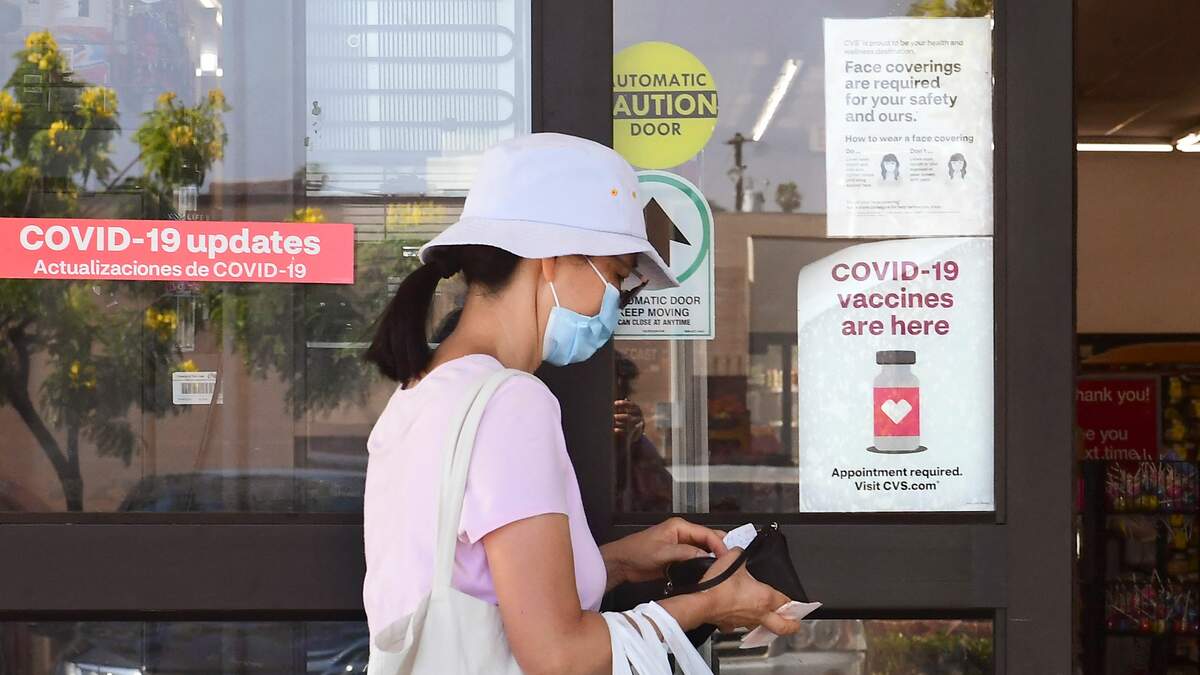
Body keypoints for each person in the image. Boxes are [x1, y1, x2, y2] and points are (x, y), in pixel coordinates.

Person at [362, 133, 800, 674]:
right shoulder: (511, 403)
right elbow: (559, 656)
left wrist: (617, 562)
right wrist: (710, 604)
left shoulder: (422, 392)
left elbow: (483, 586)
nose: (617, 305)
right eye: (618, 278)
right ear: (553, 259)